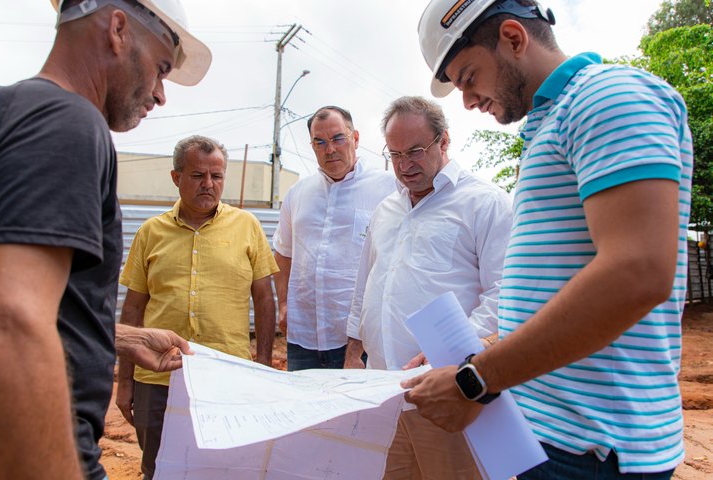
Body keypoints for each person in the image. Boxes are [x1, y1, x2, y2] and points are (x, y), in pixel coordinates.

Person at [406, 0, 694, 478]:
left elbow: (637, 272)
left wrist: (473, 380)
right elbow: (560, 282)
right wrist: (485, 349)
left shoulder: (608, 96)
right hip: (546, 435)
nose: (468, 100)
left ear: (514, 39)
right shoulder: (550, 124)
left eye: (469, 77)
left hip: (592, 452)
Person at [0, 0, 212, 478]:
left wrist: (123, 337)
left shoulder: (6, 111)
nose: (160, 93)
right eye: (161, 68)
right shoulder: (66, 124)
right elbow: (6, 323)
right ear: (118, 29)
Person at [345, 96, 512, 479]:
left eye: (416, 151)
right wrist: (355, 354)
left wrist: (453, 353)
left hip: (449, 394)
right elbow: (366, 285)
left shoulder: (484, 203)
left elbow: (504, 294)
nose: (405, 166)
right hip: (383, 394)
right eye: (395, 154)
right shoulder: (386, 209)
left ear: (444, 141)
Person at [117, 134, 278, 479]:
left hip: (228, 377)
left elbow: (265, 299)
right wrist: (125, 382)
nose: (208, 184)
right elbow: (132, 311)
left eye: (216, 176)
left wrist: (263, 366)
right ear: (176, 178)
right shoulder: (150, 232)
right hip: (157, 379)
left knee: (224, 468)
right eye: (197, 176)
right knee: (158, 468)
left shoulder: (247, 227)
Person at [272, 105, 395, 371]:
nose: (330, 149)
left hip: (360, 341)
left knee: (359, 413)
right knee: (306, 411)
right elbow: (282, 253)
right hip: (303, 338)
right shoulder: (298, 194)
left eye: (338, 138)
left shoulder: (389, 189)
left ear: (356, 138)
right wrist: (283, 303)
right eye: (320, 142)